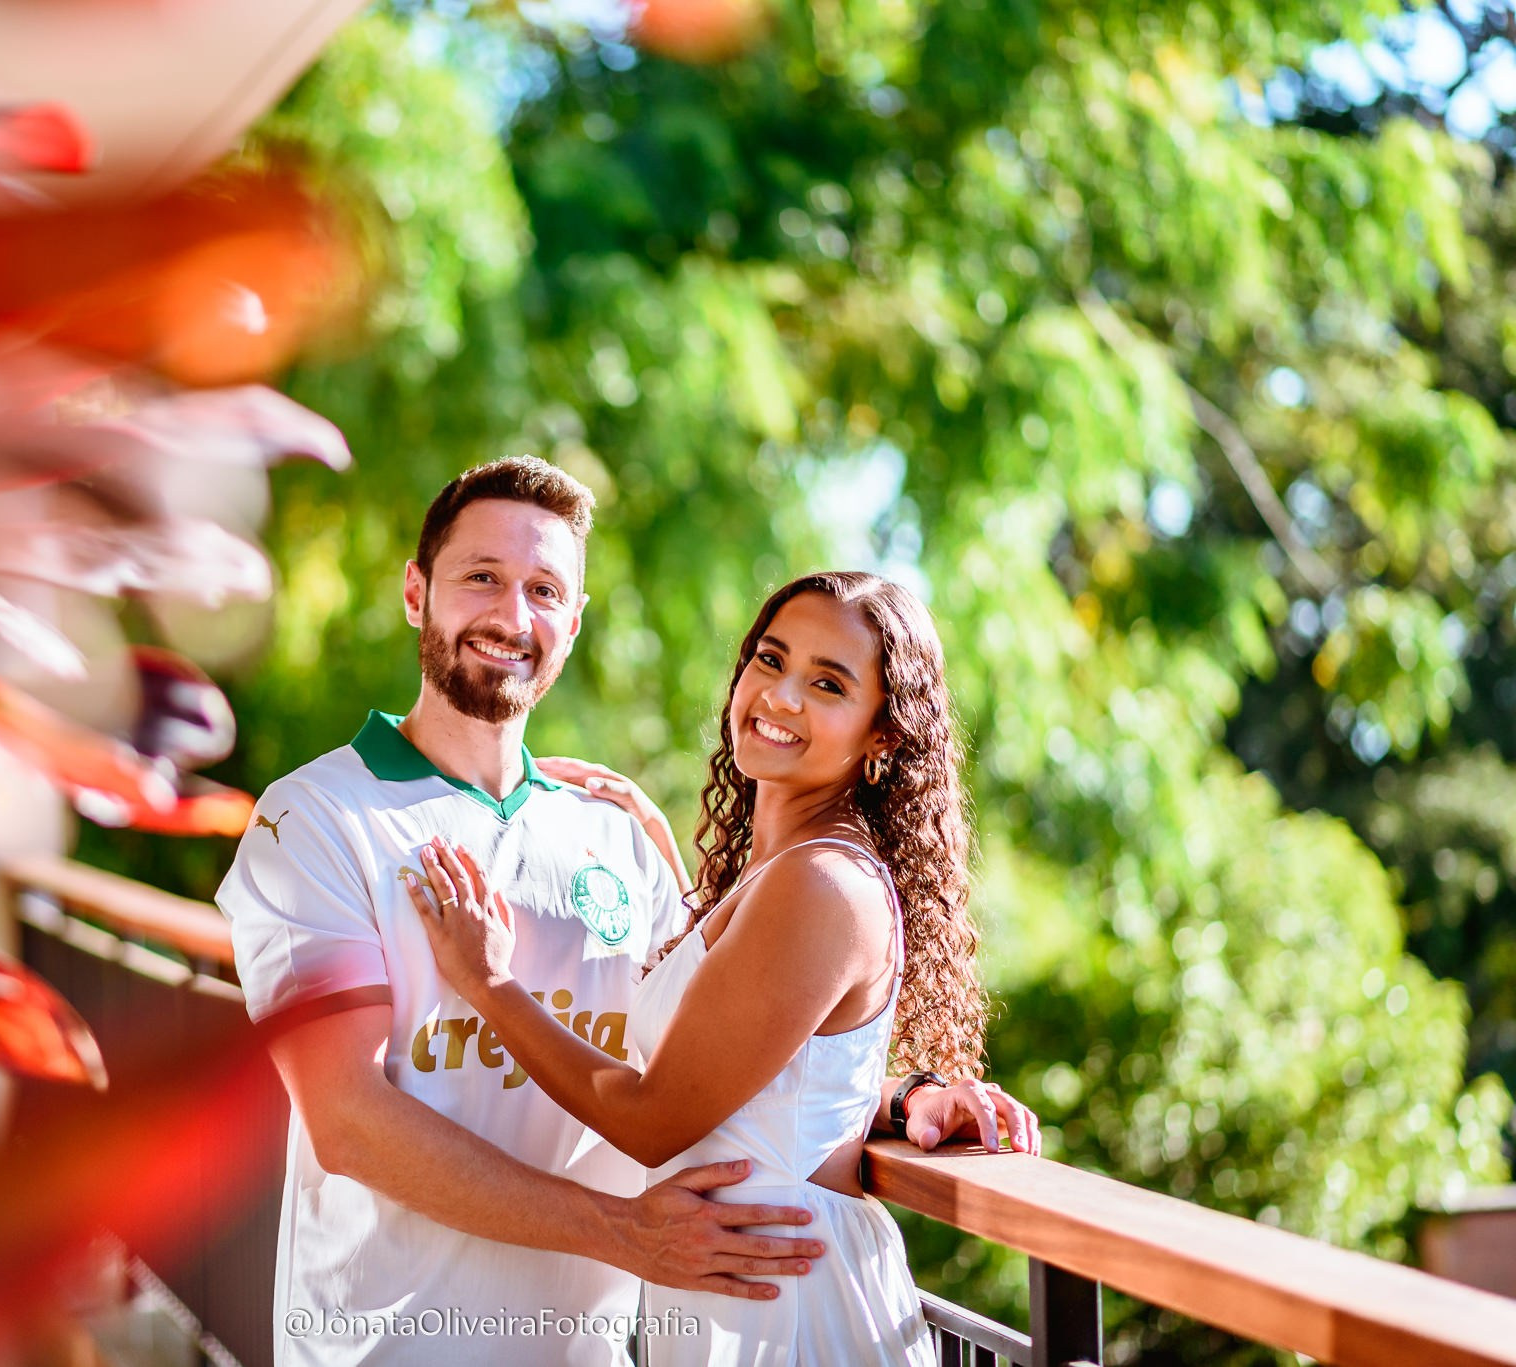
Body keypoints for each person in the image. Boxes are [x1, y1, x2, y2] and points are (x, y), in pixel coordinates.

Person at [217, 459, 1035, 1365]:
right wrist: (620, 1230)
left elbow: (714, 1065)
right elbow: (348, 1119)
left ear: (574, 621)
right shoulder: (315, 816)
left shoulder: (610, 836)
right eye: (481, 576)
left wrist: (897, 1097)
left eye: (543, 589)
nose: (511, 616)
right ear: (418, 592)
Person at [411, 570, 1016, 1366]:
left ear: (883, 737)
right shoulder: (771, 876)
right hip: (731, 1289)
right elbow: (779, 1073)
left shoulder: (821, 884)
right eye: (771, 659)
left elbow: (654, 1117)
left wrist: (490, 984)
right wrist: (662, 855)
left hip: (790, 1303)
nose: (782, 695)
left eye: (827, 682)